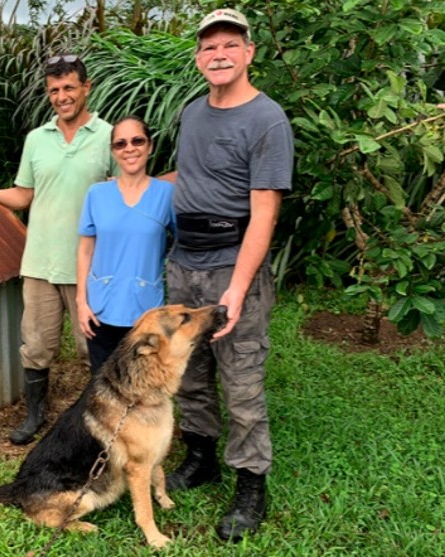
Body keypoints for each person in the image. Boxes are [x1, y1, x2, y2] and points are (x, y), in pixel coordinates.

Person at [163, 8, 294, 543]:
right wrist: (125, 187)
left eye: (229, 45)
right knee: (188, 373)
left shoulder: (268, 121)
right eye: (208, 47)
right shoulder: (193, 113)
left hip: (231, 261)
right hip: (183, 261)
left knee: (240, 379)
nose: (218, 54)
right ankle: (201, 458)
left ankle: (250, 484)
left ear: (248, 53)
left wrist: (237, 288)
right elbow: (186, 178)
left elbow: (264, 211)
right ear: (199, 57)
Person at [0, 55, 117, 445]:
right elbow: (24, 196)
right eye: (54, 90)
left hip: (90, 267)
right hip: (41, 262)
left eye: (69, 88)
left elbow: (121, 198)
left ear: (86, 88)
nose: (61, 97)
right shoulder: (36, 139)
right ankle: (35, 415)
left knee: (91, 348)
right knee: (37, 346)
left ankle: (101, 421)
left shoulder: (109, 135)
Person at [76, 116, 176, 374]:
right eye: (120, 144)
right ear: (113, 151)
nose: (129, 148)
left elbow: (184, 244)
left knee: (143, 386)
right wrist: (81, 302)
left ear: (150, 146)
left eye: (137, 141)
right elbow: (85, 249)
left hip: (145, 311)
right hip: (101, 307)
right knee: (104, 385)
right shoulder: (96, 194)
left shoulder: (166, 195)